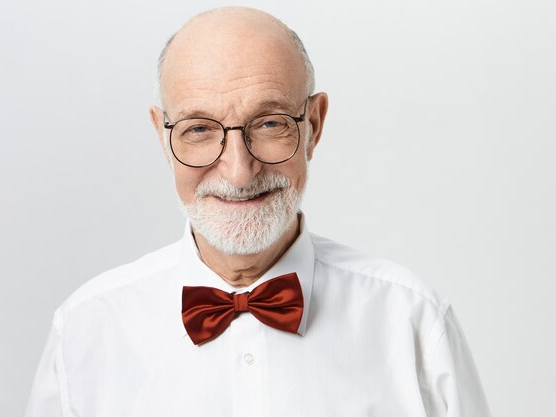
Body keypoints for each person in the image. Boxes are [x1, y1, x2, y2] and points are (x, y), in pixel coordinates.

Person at [25, 7, 491, 417]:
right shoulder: (86, 330)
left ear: (314, 124)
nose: (239, 171)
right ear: (162, 137)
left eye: (269, 123)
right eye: (200, 129)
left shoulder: (414, 321)